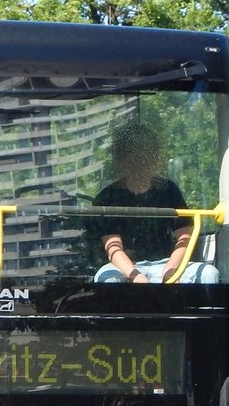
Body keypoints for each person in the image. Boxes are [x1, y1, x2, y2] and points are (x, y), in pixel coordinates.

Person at [87, 118, 218, 285]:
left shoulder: (168, 190)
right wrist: (136, 277)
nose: (139, 161)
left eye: (145, 153)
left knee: (208, 274)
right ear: (121, 160)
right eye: (132, 154)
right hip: (125, 268)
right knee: (106, 279)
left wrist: (171, 270)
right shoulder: (107, 197)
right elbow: (113, 248)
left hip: (166, 265)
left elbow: (185, 235)